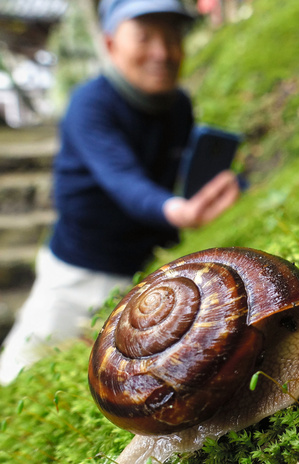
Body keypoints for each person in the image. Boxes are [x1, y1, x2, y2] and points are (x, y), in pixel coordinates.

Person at [0, 0, 241, 385]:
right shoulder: (90, 104)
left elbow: (170, 174)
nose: (162, 52)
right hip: (78, 269)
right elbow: (123, 180)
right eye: (145, 36)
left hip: (144, 269)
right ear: (111, 44)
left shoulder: (177, 105)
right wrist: (175, 210)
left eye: (171, 36)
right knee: (19, 371)